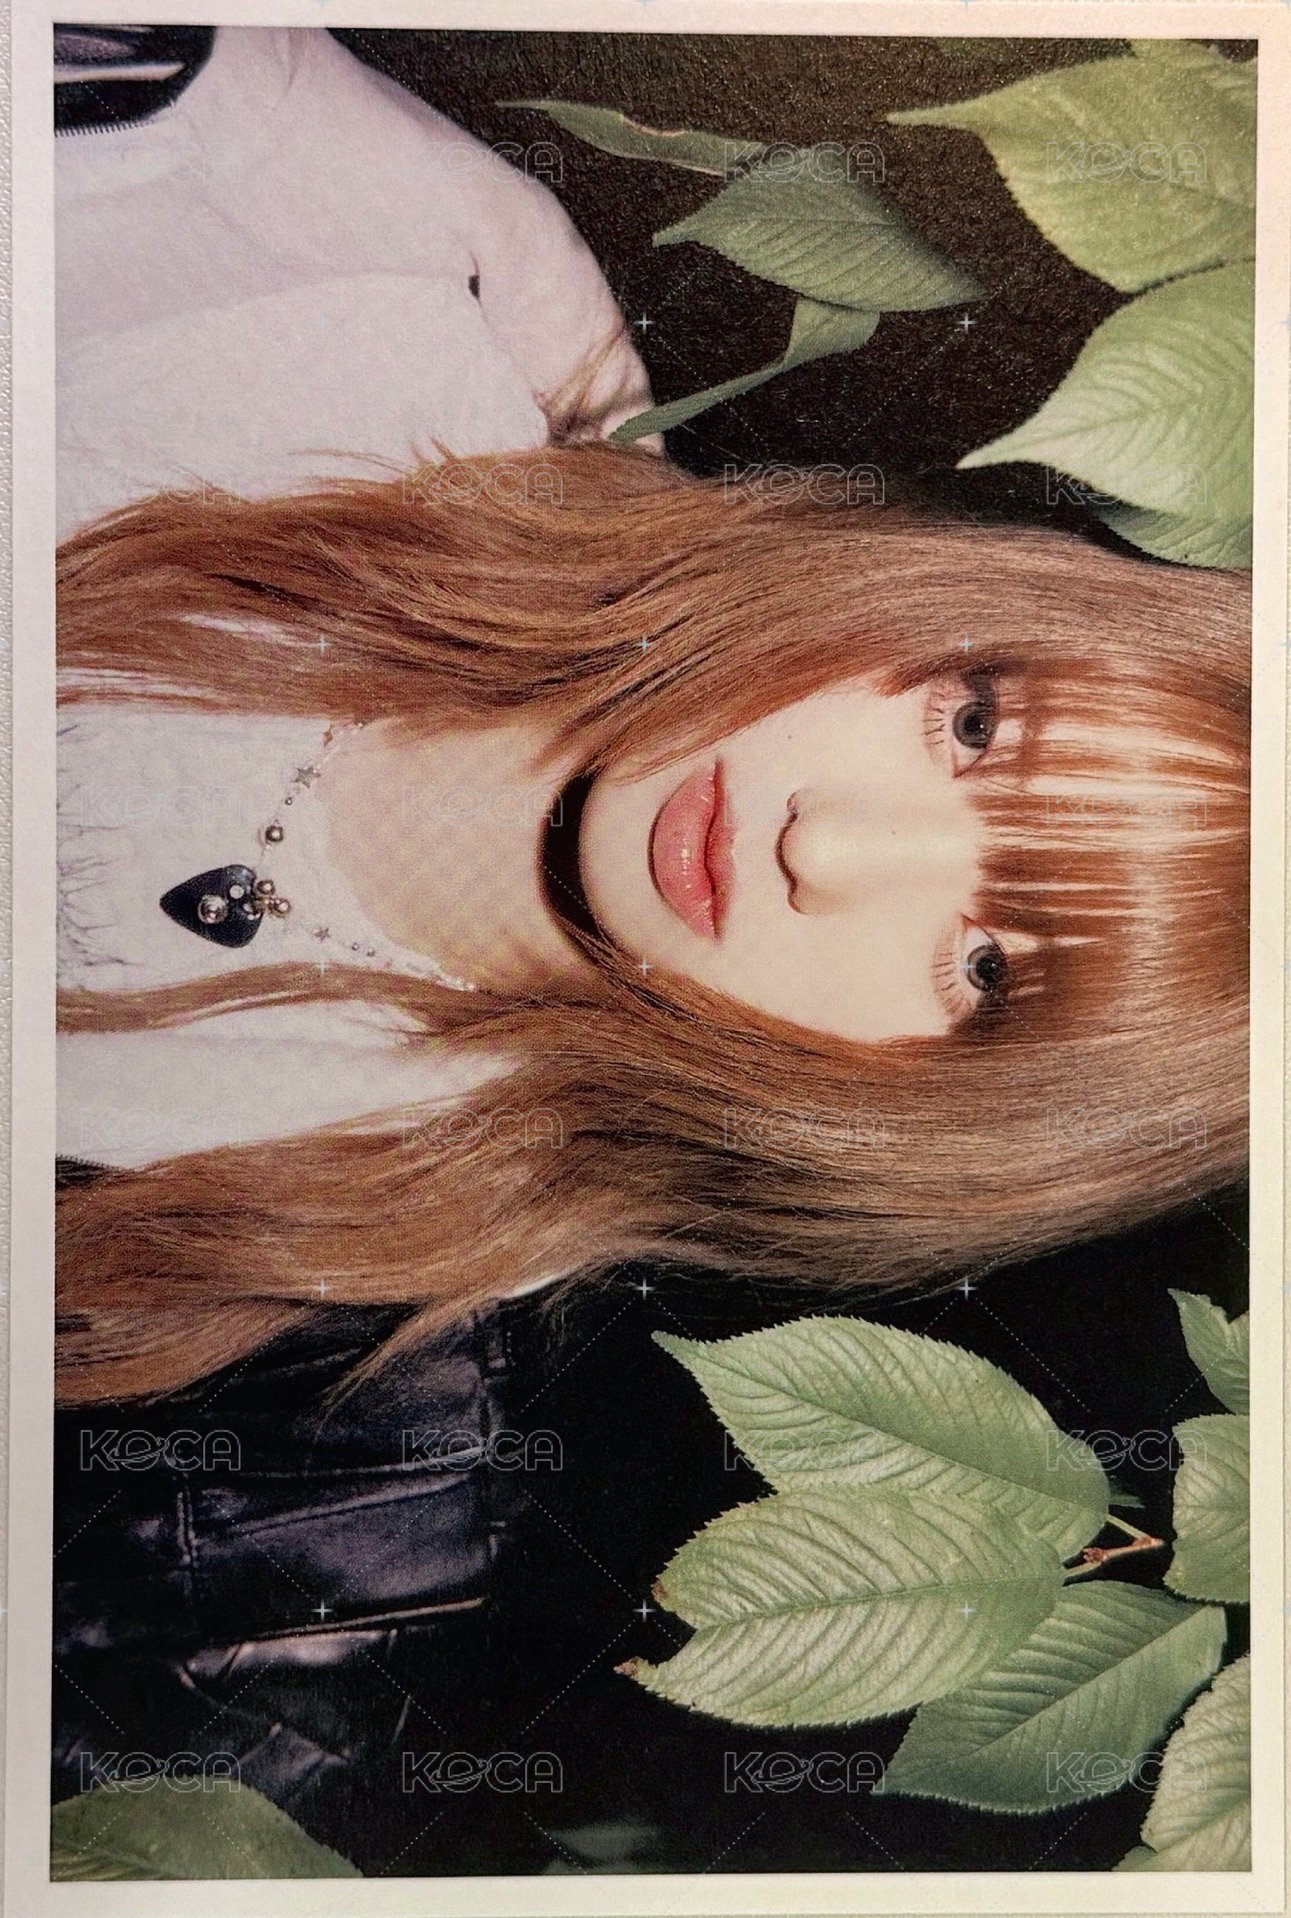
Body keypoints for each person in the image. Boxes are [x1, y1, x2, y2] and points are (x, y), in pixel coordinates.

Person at [55, 27, 1250, 1407]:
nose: (830, 846)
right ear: (939, 604)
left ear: (945, 1134)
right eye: (974, 728)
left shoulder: (358, 1305)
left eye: (986, 971)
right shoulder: (347, 293)